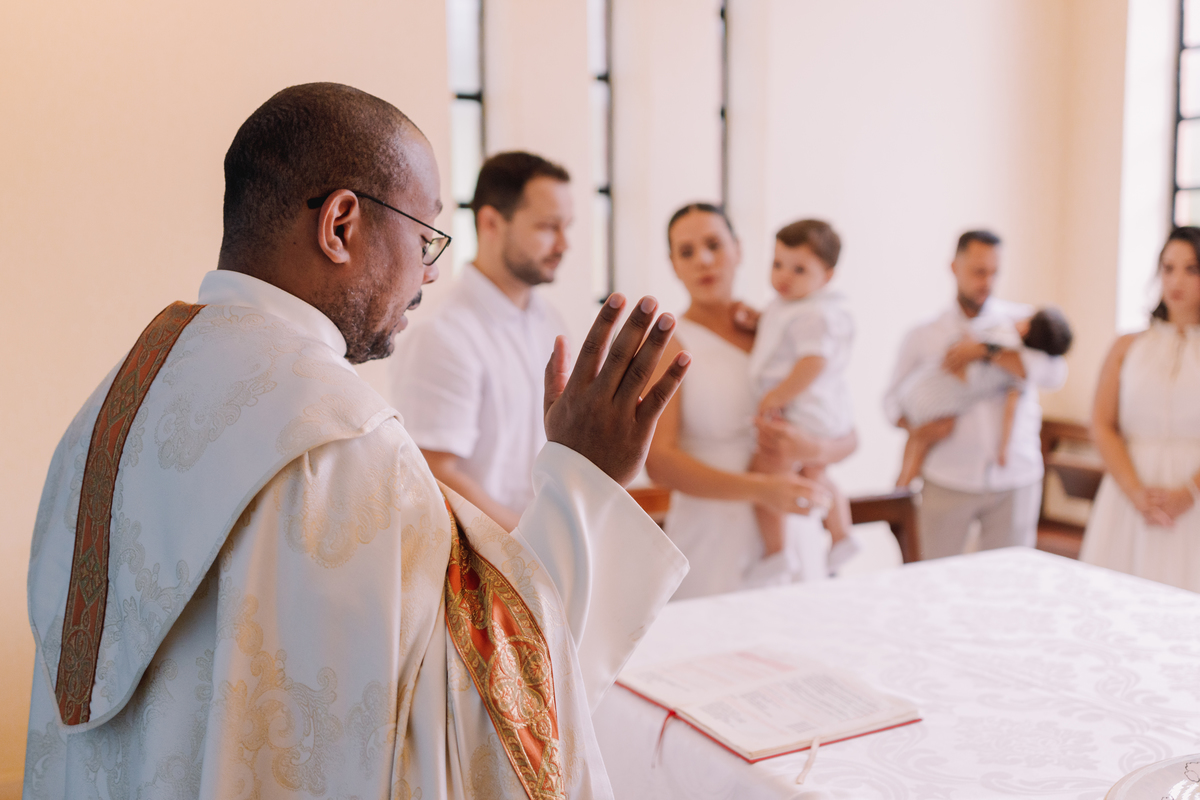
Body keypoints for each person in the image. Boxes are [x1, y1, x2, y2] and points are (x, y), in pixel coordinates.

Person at [22, 83, 691, 800]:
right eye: (425, 235)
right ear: (341, 224)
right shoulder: (339, 443)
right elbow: (469, 718)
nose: (430, 270)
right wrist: (586, 482)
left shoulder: (121, 395)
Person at [645, 203, 856, 599]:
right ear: (672, 264)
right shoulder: (669, 344)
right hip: (714, 534)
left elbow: (849, 433)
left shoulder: (779, 332)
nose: (703, 260)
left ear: (738, 250)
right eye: (686, 252)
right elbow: (659, 462)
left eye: (713, 244)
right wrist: (760, 489)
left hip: (792, 523)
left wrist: (813, 448)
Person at [390, 152, 571, 531]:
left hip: (543, 554)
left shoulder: (550, 321)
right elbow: (436, 473)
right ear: (491, 222)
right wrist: (533, 546)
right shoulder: (443, 332)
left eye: (567, 227)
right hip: (486, 564)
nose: (563, 243)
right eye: (548, 227)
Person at [884, 230, 1068, 559]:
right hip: (948, 477)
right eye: (978, 271)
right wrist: (916, 429)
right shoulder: (923, 333)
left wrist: (985, 351)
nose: (987, 281)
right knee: (934, 577)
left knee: (1007, 584)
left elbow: (1055, 373)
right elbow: (890, 402)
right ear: (954, 267)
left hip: (1016, 477)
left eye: (995, 272)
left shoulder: (1022, 323)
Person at [1080, 227, 1200, 591]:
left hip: (1193, 499)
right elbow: (1102, 423)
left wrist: (1190, 493)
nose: (1176, 280)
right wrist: (1134, 492)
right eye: (1168, 268)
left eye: (1192, 269)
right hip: (1129, 495)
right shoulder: (1127, 346)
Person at [747, 219, 857, 573]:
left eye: (799, 269)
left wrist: (775, 397)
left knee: (768, 475)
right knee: (815, 472)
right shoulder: (793, 306)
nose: (784, 276)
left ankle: (777, 554)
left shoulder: (814, 314)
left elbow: (813, 362)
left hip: (804, 411)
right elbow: (781, 336)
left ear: (827, 276)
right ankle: (841, 538)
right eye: (777, 264)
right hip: (818, 412)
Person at [895, 307, 1074, 487]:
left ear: (1025, 327)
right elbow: (1010, 411)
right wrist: (1004, 448)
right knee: (920, 448)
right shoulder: (1017, 369)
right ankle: (902, 495)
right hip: (940, 400)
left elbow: (961, 339)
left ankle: (899, 493)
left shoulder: (998, 330)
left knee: (915, 448)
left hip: (925, 383)